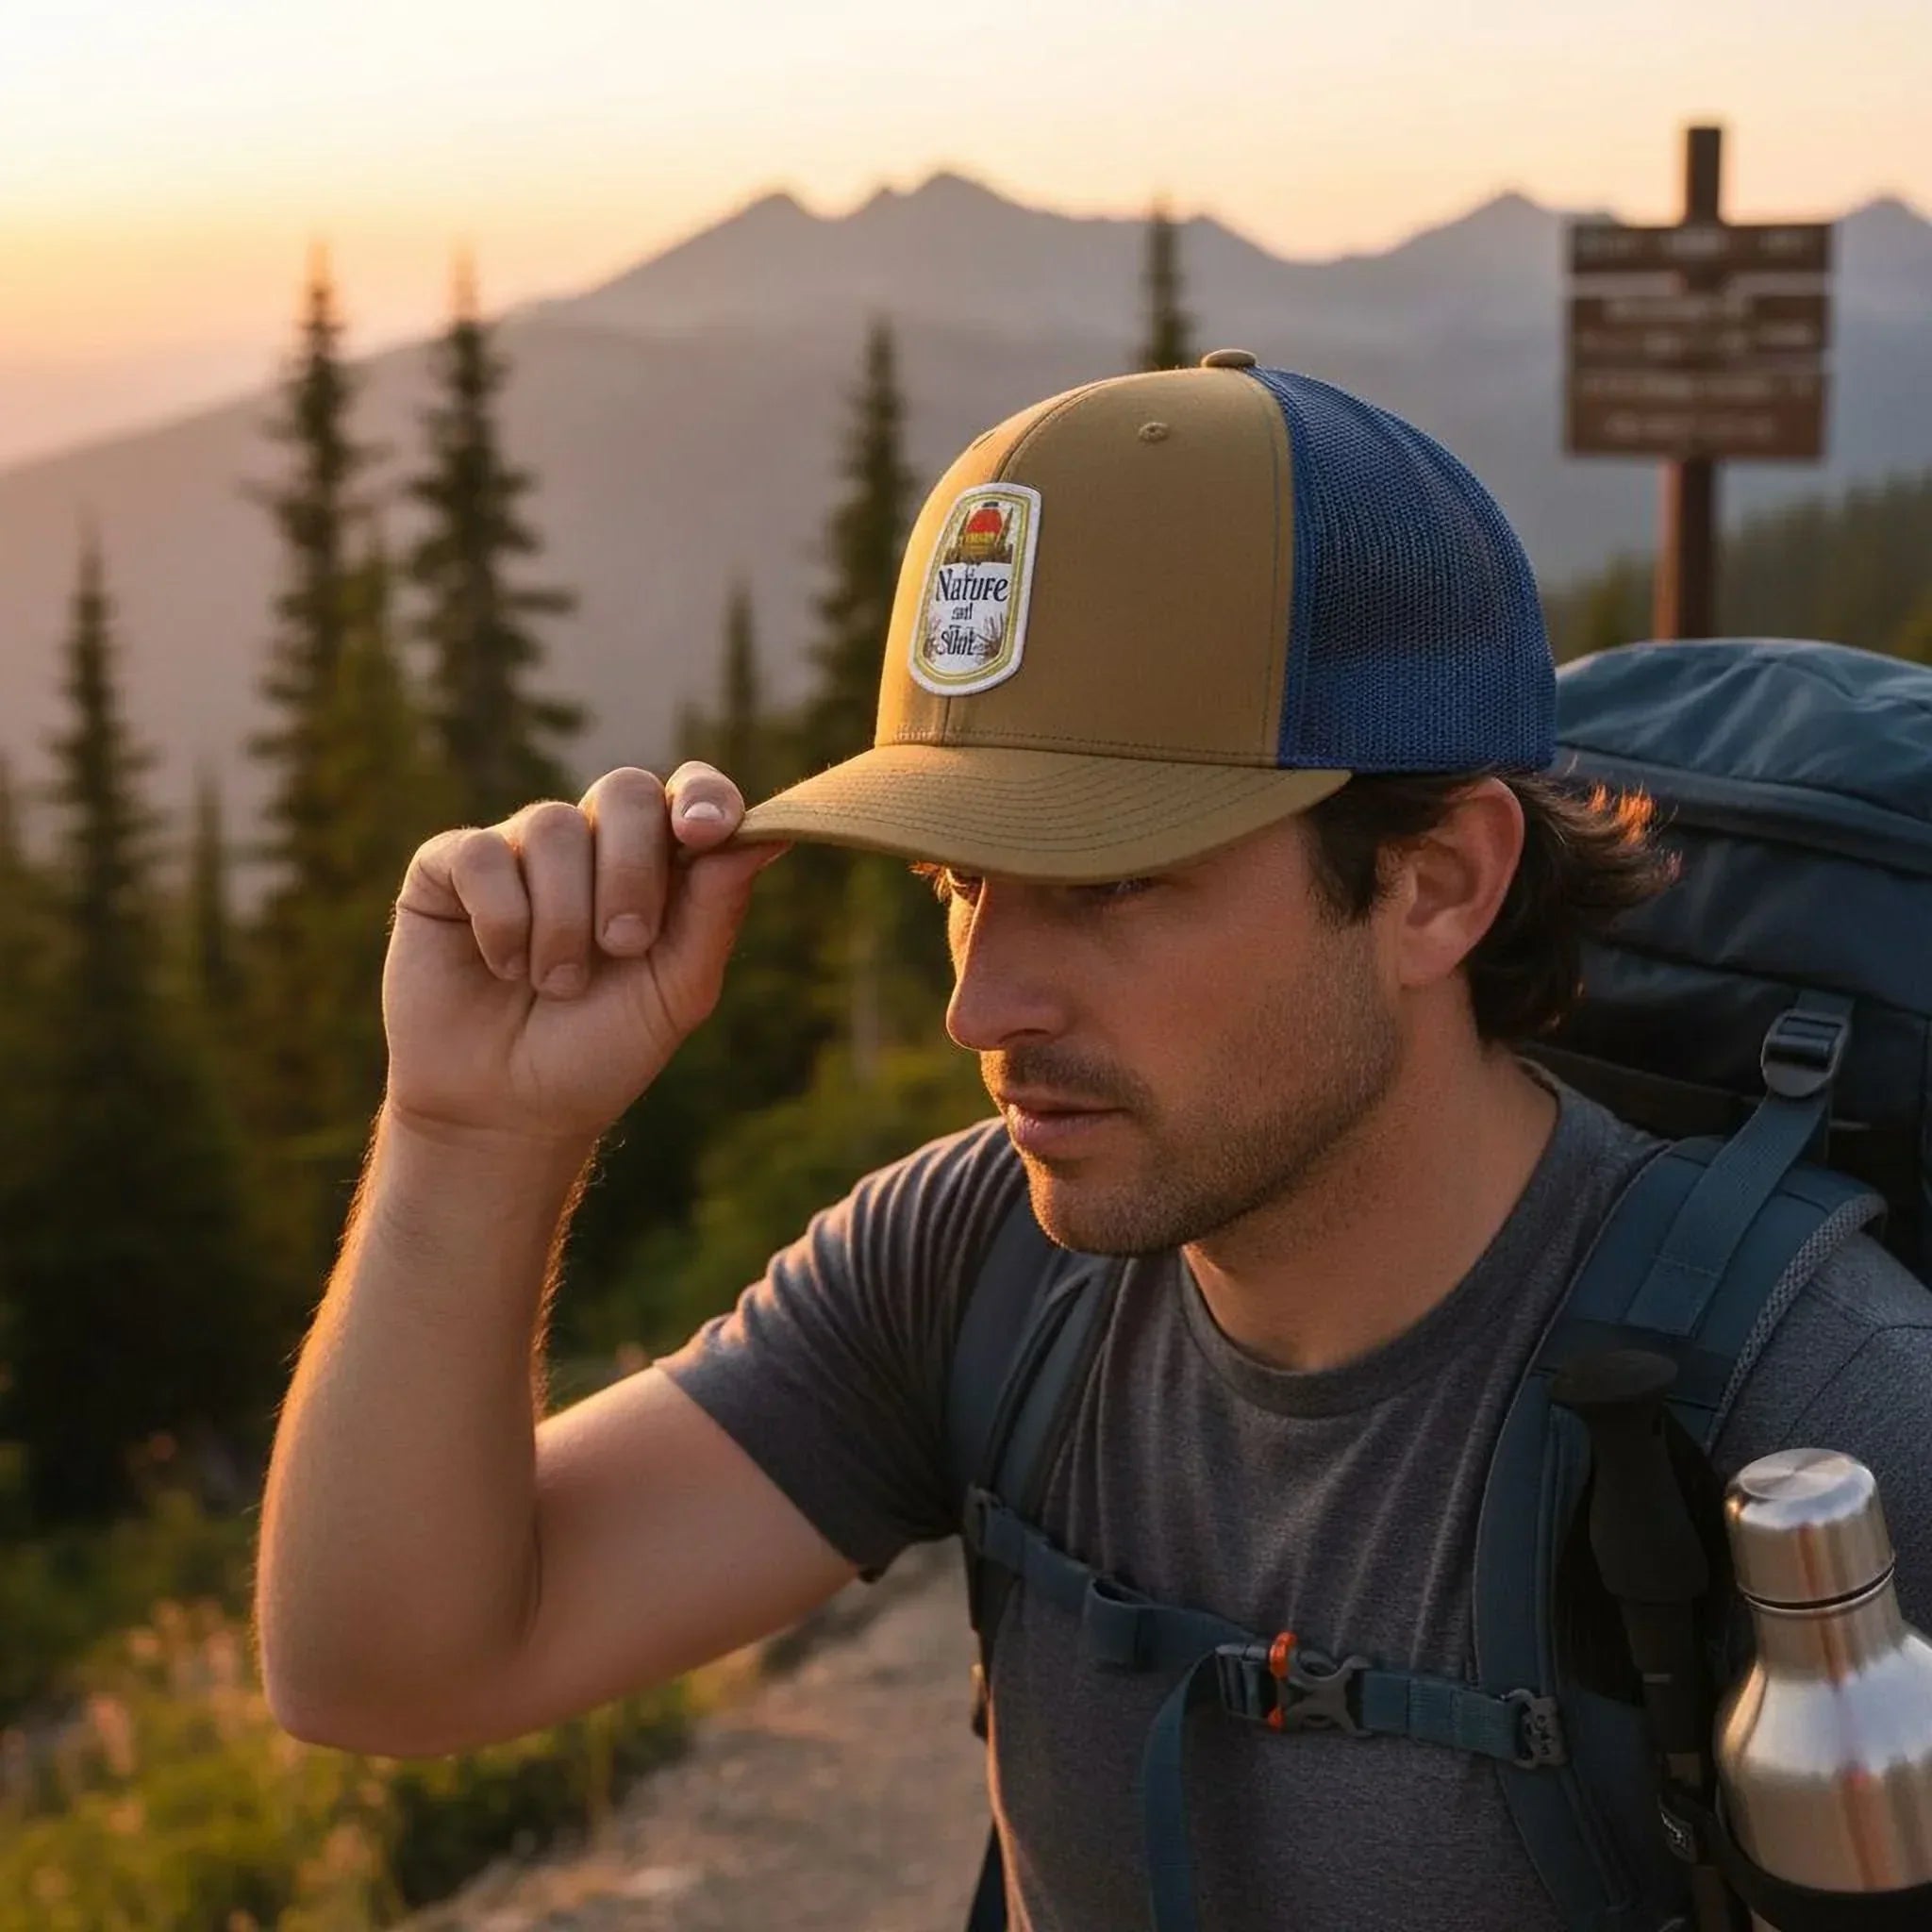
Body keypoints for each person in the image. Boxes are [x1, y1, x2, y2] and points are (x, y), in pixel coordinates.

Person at [254, 358, 1932, 1931]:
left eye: (1110, 885)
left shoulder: (1819, 1419)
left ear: (1437, 884)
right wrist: (473, 1129)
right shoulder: (978, 1261)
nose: (980, 1007)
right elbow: (386, 1668)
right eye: (960, 884)